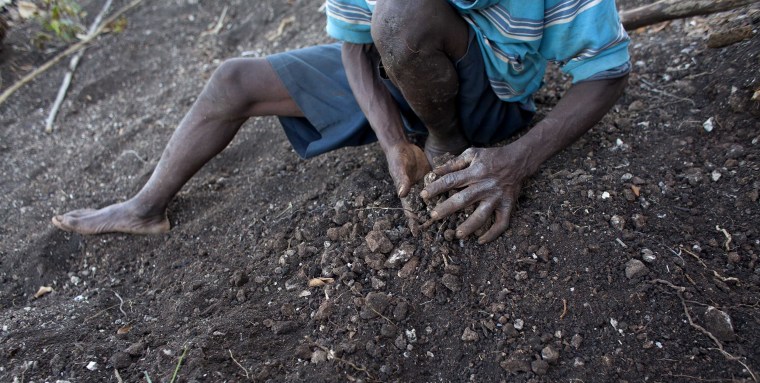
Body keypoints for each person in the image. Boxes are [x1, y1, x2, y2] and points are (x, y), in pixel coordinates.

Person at [52, 0, 630, 243]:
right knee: (235, 80)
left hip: (487, 93)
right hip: (403, 65)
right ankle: (144, 210)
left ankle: (454, 145)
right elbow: (356, 40)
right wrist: (391, 141)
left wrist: (516, 159)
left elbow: (606, 72)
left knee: (404, 16)